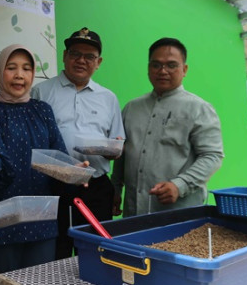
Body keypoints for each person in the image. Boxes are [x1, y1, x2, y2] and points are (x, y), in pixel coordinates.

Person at [0, 44, 68, 273]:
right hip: (5, 222)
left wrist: (73, 170)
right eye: (12, 68)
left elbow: (58, 153)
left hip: (43, 219)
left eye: (26, 68)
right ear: (0, 71)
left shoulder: (43, 110)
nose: (19, 75)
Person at [31, 27, 124, 258]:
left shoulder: (108, 98)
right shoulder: (41, 92)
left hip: (96, 187)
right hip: (54, 187)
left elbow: (117, 144)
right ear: (64, 56)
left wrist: (113, 150)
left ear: (98, 62)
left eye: (89, 56)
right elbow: (32, 146)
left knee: (98, 251)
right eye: (75, 54)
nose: (81, 60)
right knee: (56, 252)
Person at [112, 37, 224, 217]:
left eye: (171, 65)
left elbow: (212, 156)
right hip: (133, 214)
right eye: (156, 65)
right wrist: (115, 189)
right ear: (148, 68)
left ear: (184, 69)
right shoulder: (132, 108)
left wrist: (180, 185)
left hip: (180, 214)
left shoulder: (199, 108)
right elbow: (121, 154)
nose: (162, 71)